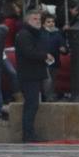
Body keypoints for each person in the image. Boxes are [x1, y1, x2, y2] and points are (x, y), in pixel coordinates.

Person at [16, 8, 50, 142]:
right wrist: (44, 55)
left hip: (34, 74)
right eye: (34, 19)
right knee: (31, 104)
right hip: (29, 74)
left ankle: (29, 133)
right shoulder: (25, 34)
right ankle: (28, 134)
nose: (38, 22)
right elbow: (29, 52)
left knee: (33, 104)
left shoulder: (36, 34)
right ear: (28, 20)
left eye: (39, 19)